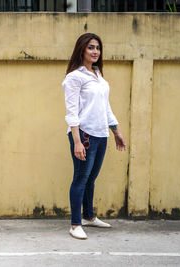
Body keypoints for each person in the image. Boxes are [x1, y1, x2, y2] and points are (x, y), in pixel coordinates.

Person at [62, 33, 126, 240]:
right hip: (84, 135)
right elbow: (72, 112)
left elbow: (105, 107)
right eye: (91, 47)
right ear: (81, 49)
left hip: (101, 135)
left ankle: (89, 217)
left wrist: (116, 131)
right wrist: (77, 141)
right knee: (80, 178)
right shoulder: (74, 77)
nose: (95, 51)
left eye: (97, 47)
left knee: (91, 178)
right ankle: (75, 224)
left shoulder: (98, 76)